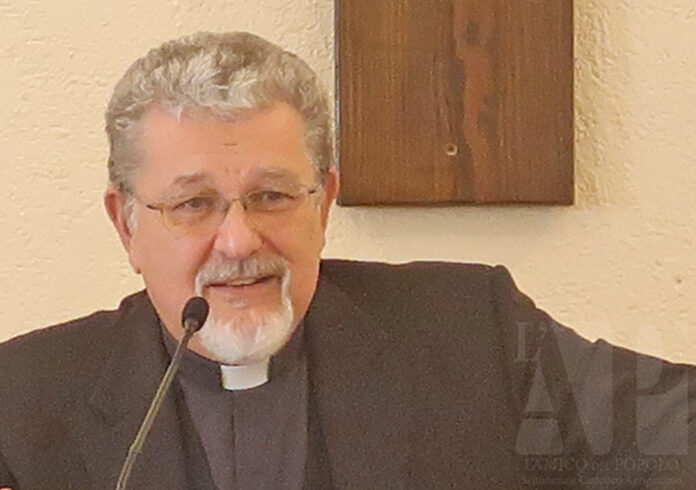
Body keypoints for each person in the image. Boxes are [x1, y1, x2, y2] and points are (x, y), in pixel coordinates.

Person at [0, 31, 693, 489]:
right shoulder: (22, 398)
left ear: (323, 202)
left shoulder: (470, 335)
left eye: (272, 197)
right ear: (126, 224)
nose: (238, 243)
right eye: (193, 205)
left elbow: (678, 432)